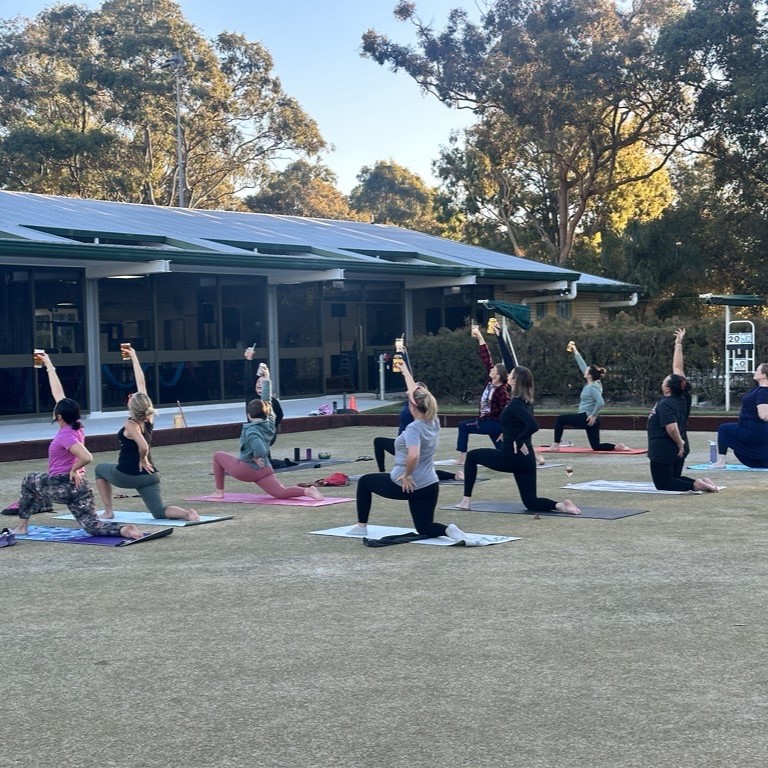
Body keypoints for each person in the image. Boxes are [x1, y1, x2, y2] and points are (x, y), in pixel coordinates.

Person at [14, 352, 143, 539]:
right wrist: (48, 364)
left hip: (62, 485)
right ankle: (124, 529)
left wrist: (74, 468)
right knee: (93, 527)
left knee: (29, 480)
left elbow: (87, 457)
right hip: (81, 487)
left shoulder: (65, 436)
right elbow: (59, 395)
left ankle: (22, 527)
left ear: (58, 416)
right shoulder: (76, 426)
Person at [347, 357, 469, 542]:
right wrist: (404, 371)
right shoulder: (433, 421)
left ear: (413, 406)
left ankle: (361, 527)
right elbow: (416, 393)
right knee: (424, 527)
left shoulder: (414, 428)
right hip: (430, 485)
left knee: (365, 482)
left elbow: (414, 455)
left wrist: (408, 475)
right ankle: (449, 530)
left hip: (406, 484)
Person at [455, 365, 582, 515]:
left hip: (510, 456)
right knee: (530, 502)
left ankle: (465, 501)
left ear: (515, 380)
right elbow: (520, 424)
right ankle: (561, 505)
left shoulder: (515, 403)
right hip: (526, 459)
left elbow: (533, 425)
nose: (507, 375)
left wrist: (519, 439)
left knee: (472, 456)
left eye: (511, 374)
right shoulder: (526, 402)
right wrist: (507, 433)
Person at [94, 346, 200, 521]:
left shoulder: (130, 424)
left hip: (127, 475)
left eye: (131, 396)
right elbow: (142, 386)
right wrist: (134, 357)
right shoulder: (149, 418)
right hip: (150, 475)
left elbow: (142, 445)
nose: (130, 396)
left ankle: (108, 511)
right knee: (159, 512)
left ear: (131, 405)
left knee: (99, 469)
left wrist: (142, 458)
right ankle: (187, 513)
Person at [210, 393, 325, 501]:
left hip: (247, 470)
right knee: (280, 492)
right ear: (266, 412)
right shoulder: (269, 423)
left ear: (249, 415)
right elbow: (267, 401)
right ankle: (307, 491)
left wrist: (256, 457)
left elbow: (259, 448)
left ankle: (219, 491)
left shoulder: (252, 431)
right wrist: (266, 381)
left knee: (217, 455)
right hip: (265, 468)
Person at [647, 329, 718, 492]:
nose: (664, 380)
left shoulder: (666, 404)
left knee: (664, 484)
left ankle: (696, 484)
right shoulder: (683, 396)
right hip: (677, 447)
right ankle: (702, 481)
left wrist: (680, 444)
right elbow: (678, 368)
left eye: (665, 380)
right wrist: (678, 344)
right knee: (674, 478)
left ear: (666, 388)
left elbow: (671, 428)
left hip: (665, 448)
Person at [549, 341, 631, 452]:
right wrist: (575, 350)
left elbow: (600, 402)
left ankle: (555, 445)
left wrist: (593, 416)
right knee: (596, 446)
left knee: (560, 419)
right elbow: (582, 365)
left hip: (586, 418)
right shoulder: (595, 383)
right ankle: (617, 446)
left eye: (587, 370)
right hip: (594, 420)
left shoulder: (592, 387)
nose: (584, 370)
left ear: (589, 375)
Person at [454, 325, 510, 479]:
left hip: (492, 423)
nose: (490, 370)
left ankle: (462, 458)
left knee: (463, 426)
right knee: (503, 452)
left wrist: (504, 430)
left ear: (498, 376)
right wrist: (480, 337)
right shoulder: (491, 382)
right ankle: (535, 455)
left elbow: (508, 413)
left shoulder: (502, 392)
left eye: (494, 371)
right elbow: (487, 358)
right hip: (490, 423)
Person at [710, 363, 768, 468]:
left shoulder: (763, 392)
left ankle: (721, 462)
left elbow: (764, 415)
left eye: (757, 370)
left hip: (754, 429)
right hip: (750, 427)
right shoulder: (759, 389)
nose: (754, 372)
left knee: (724, 429)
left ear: (763, 375)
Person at [243, 348, 292, 467]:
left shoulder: (271, 400)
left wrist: (272, 426)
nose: (259, 384)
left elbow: (280, 415)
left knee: (261, 455)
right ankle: (268, 461)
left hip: (267, 432)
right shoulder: (251, 395)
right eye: (257, 383)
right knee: (254, 455)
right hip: (253, 430)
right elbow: (247, 378)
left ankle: (280, 463)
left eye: (262, 382)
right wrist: (248, 360)